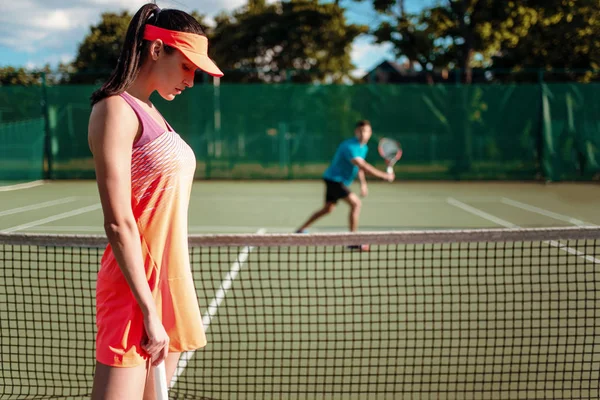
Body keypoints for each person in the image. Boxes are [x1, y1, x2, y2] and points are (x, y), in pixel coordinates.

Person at [87, 3, 223, 399]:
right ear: (157, 49)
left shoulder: (154, 113)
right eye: (187, 66)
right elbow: (119, 223)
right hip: (135, 293)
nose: (192, 80)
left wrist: (160, 306)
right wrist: (148, 310)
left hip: (170, 285)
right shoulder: (115, 109)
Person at [295, 120, 394, 246]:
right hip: (335, 180)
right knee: (356, 204)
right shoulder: (349, 146)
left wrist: (363, 184)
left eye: (366, 131)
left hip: (334, 179)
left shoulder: (364, 148)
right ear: (356, 132)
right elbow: (362, 165)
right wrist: (384, 176)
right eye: (360, 131)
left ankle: (301, 229)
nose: (363, 134)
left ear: (370, 133)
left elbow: (358, 168)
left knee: (327, 209)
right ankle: (353, 240)